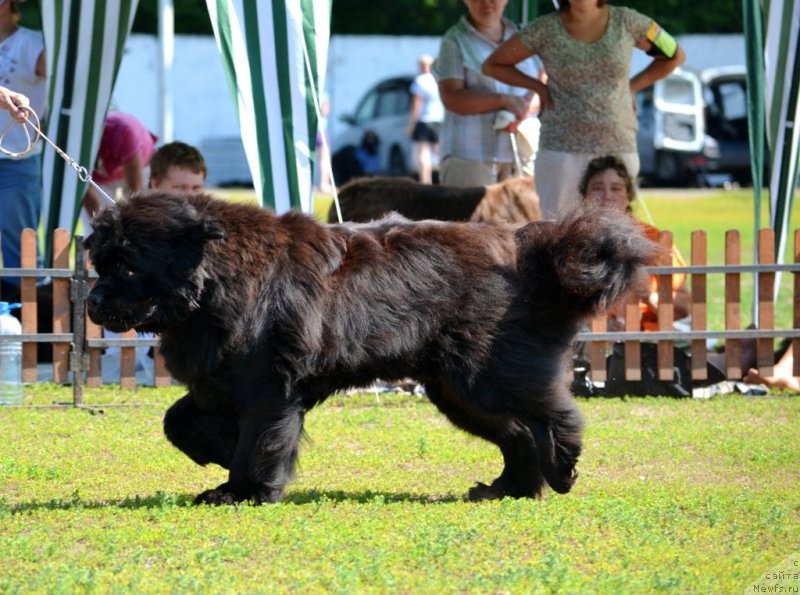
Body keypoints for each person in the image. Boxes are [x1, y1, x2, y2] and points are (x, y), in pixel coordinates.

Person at [482, 0, 685, 219]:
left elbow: (674, 54)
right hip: (560, 149)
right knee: (558, 230)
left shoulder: (629, 21)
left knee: (617, 231)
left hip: (617, 144)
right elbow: (493, 65)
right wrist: (537, 87)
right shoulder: (544, 28)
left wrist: (632, 87)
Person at [433, 0, 541, 187]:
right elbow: (451, 97)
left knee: (526, 216)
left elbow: (543, 81)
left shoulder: (525, 36)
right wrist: (504, 101)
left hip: (521, 157)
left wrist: (524, 107)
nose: (486, 2)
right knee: (467, 216)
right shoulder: (454, 40)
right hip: (469, 157)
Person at [578, 155, 689, 331]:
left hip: (652, 336)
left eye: (616, 188)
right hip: (594, 340)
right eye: (597, 188)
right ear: (585, 195)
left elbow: (686, 307)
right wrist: (596, 323)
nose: (607, 196)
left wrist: (650, 297)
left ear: (628, 195)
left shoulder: (655, 239)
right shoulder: (573, 242)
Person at [0, 0, 46, 291]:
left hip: (17, 162)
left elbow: (71, 70)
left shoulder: (32, 43)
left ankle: (30, 328)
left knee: (21, 245)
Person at [83, 111, 158, 218]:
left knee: (145, 210)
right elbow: (87, 193)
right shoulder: (74, 141)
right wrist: (101, 226)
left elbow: (137, 190)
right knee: (95, 221)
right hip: (100, 177)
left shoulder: (122, 132)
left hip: (140, 166)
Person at [406, 54, 444, 184]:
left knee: (423, 152)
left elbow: (417, 104)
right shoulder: (437, 80)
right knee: (439, 151)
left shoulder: (420, 81)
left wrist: (411, 125)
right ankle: (445, 178)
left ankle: (425, 181)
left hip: (424, 120)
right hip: (439, 119)